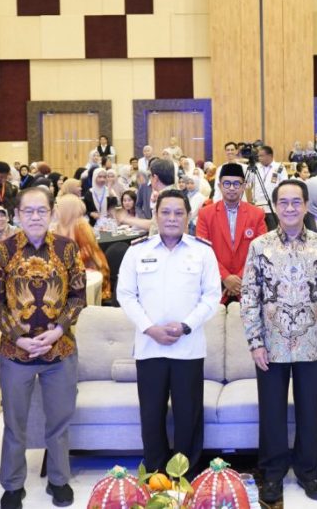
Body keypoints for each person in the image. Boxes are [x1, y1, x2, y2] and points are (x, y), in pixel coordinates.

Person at [241, 179, 317, 504]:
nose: (289, 208)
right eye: (283, 202)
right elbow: (249, 296)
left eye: (296, 202)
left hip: (313, 343)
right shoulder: (260, 246)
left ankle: (307, 471)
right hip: (271, 346)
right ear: (275, 206)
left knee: (309, 413)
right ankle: (272, 474)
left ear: (305, 205)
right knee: (271, 413)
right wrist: (255, 341)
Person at [0, 186, 87, 509]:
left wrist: (58, 331)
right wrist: (18, 337)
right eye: (28, 211)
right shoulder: (2, 252)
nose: (34, 217)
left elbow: (78, 296)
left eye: (41, 210)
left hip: (60, 350)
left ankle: (58, 480)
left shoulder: (67, 249)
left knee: (59, 421)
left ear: (52, 213)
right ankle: (12, 485)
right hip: (15, 352)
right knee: (14, 423)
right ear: (17, 215)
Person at [118, 189, 220, 477]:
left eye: (178, 213)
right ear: (155, 215)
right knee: (152, 416)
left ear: (188, 217)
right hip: (149, 348)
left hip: (188, 348)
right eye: (166, 212)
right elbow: (125, 294)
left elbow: (212, 296)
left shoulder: (203, 251)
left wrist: (185, 326)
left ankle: (186, 476)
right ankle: (155, 475)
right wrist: (150, 328)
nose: (172, 218)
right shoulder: (137, 251)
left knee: (188, 416)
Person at [196, 163, 267, 305]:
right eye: (227, 183)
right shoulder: (205, 214)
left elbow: (262, 250)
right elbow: (202, 251)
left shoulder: (257, 214)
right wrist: (225, 277)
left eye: (236, 184)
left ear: (243, 186)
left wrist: (239, 279)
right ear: (219, 186)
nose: (232, 188)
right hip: (215, 284)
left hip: (248, 285)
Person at [250, 145, 287, 229]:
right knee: (258, 231)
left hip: (272, 207)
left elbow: (284, 185)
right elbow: (248, 183)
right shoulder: (256, 167)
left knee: (273, 231)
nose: (259, 158)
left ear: (270, 156)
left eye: (261, 156)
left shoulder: (279, 167)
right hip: (257, 206)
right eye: (258, 156)